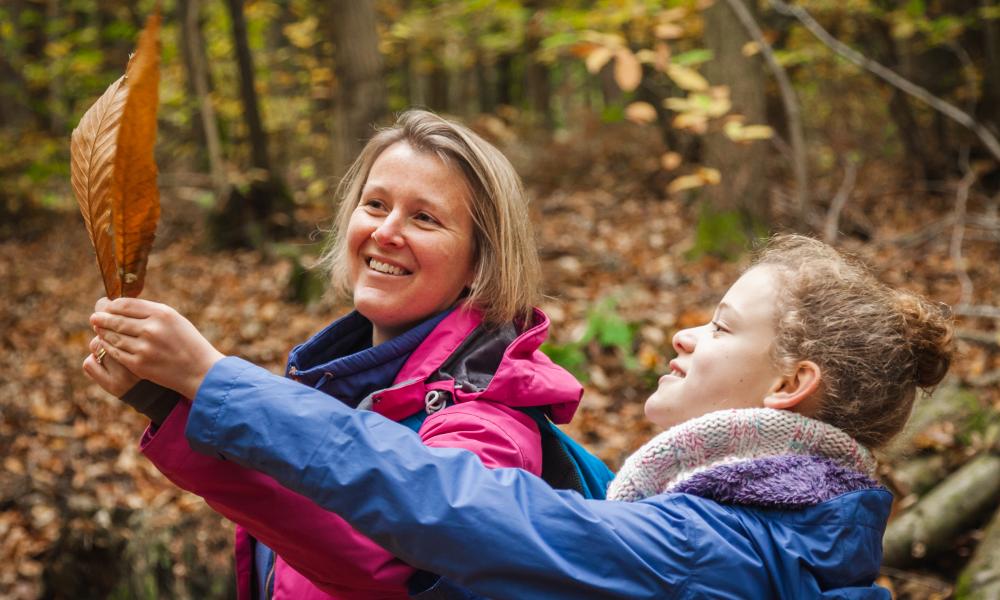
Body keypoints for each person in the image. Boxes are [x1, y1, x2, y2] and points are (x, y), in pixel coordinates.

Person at [91, 234, 954, 598]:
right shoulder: (763, 524)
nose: (687, 333)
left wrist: (219, 383)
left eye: (723, 325)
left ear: (788, 386)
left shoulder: (706, 550)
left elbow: (456, 507)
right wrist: (182, 404)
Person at [84, 109, 591, 599]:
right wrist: (165, 399)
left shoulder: (488, 424)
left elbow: (393, 558)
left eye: (424, 217)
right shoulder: (343, 387)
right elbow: (288, 506)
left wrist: (210, 378)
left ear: (480, 263)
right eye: (375, 205)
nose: (385, 231)